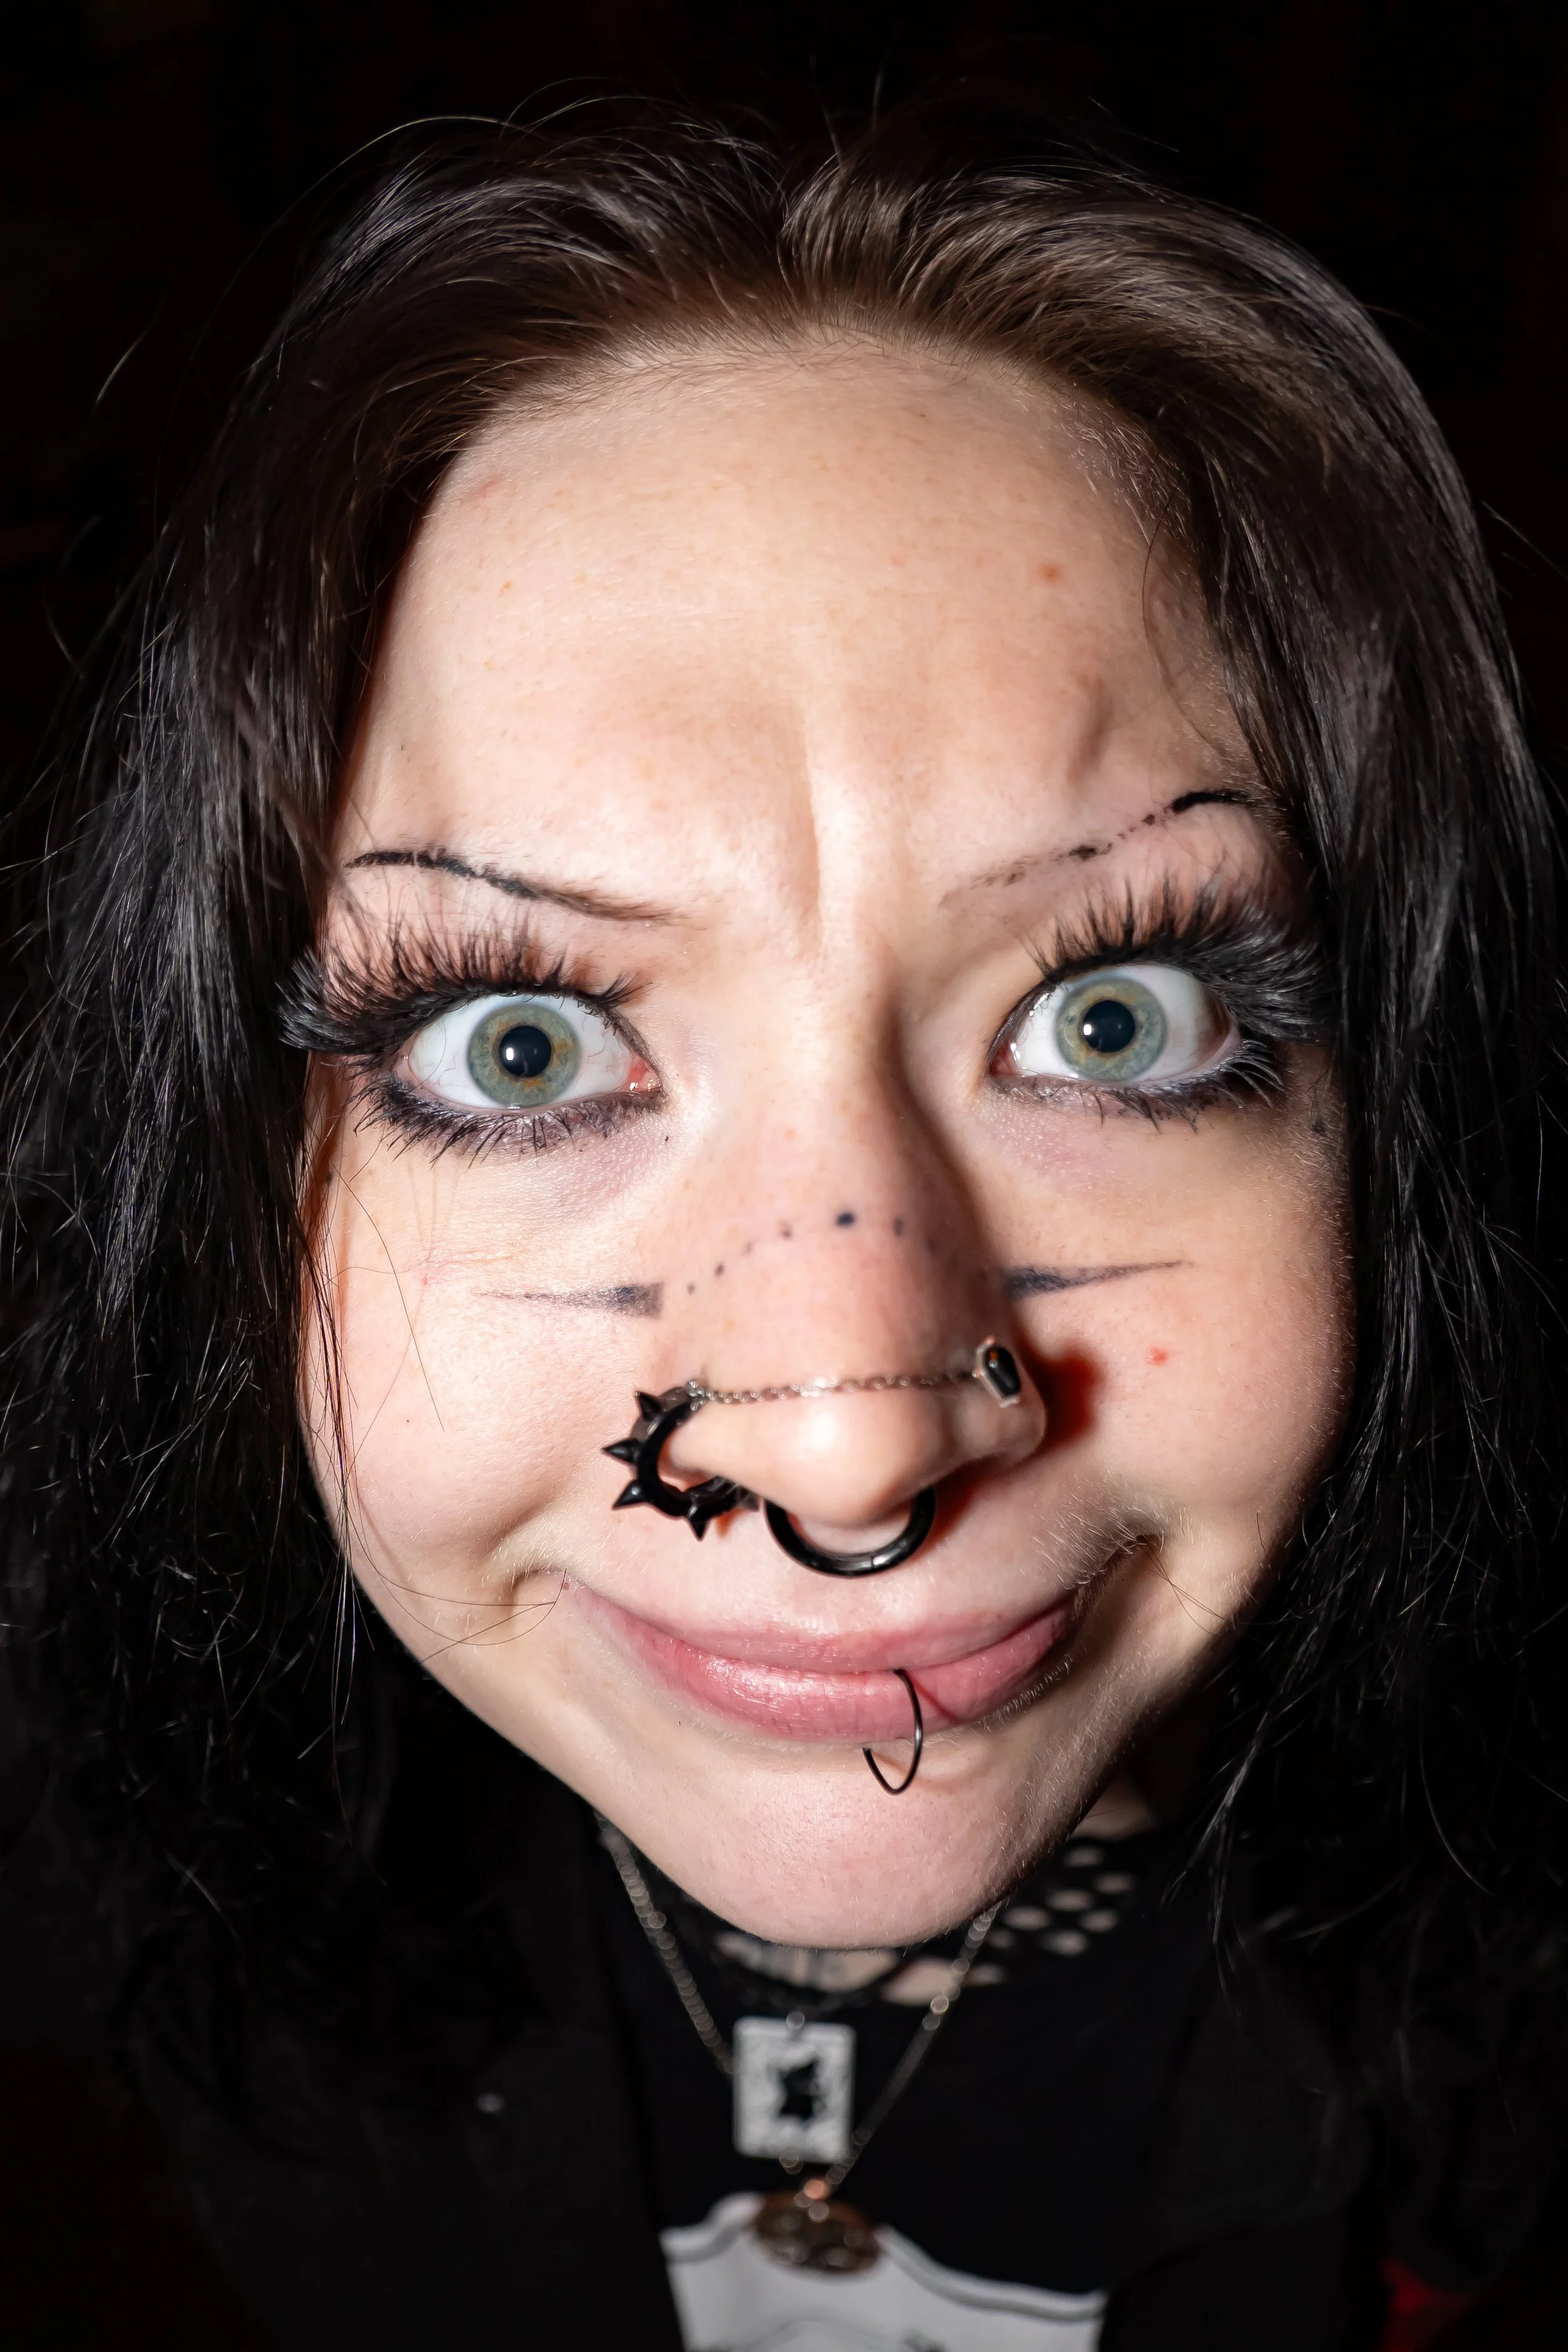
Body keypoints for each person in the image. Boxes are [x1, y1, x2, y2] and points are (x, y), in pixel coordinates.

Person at [1, 93, 1562, 2351]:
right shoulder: (98, 1857)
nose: (849, 1455)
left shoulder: (1493, 1980)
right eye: (516, 1044)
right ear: (219, 1161)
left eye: (1114, 1023)